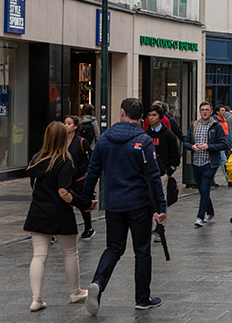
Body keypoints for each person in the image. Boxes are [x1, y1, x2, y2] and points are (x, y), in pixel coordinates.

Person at [82, 97, 166, 314]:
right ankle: (142, 298)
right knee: (142, 251)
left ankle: (98, 283)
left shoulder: (105, 139)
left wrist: (86, 198)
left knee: (114, 248)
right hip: (139, 204)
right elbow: (154, 176)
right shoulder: (144, 140)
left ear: (121, 113)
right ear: (141, 118)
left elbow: (93, 170)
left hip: (114, 203)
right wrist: (161, 207)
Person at [24, 121, 96, 312]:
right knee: (70, 253)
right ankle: (75, 291)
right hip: (60, 213)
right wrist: (85, 204)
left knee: (39, 256)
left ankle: (36, 299)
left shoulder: (35, 159)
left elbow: (34, 188)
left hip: (38, 211)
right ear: (63, 138)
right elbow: (64, 192)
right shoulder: (64, 161)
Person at [184, 101, 227, 227]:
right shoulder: (194, 125)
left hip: (210, 163)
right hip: (196, 162)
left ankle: (200, 217)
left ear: (211, 112)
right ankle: (211, 211)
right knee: (203, 190)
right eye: (202, 109)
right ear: (199, 111)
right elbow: (185, 141)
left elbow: (223, 144)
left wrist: (209, 146)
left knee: (204, 188)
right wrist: (192, 146)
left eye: (207, 110)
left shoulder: (216, 126)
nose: (204, 112)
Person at [145, 104, 180, 240]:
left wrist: (169, 170)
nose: (151, 118)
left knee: (161, 200)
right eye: (149, 115)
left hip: (162, 173)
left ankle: (160, 227)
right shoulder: (146, 134)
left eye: (154, 115)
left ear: (160, 117)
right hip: (147, 173)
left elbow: (175, 155)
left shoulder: (168, 135)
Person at [65, 115, 95, 240]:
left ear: (75, 126)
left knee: (81, 203)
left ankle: (88, 228)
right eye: (65, 123)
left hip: (78, 178)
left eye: (69, 123)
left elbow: (89, 160)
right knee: (63, 203)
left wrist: (79, 172)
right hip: (64, 177)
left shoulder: (81, 142)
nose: (66, 126)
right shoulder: (60, 141)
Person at [214, 105, 232, 187]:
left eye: (224, 110)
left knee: (218, 163)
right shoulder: (215, 121)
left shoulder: (225, 120)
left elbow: (227, 132)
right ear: (217, 112)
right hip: (218, 144)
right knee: (224, 161)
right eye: (222, 110)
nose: (224, 112)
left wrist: (230, 142)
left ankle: (210, 178)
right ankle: (229, 180)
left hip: (224, 143)